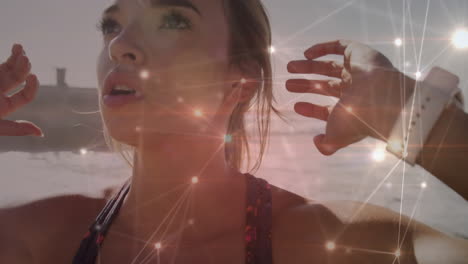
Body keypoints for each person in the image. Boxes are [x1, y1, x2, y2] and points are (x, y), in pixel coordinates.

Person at [1, 0, 467, 263]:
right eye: (112, 25)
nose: (120, 45)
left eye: (173, 20)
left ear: (239, 82)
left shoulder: (338, 243)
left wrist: (413, 116)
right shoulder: (37, 239)